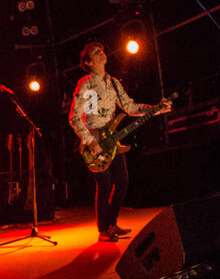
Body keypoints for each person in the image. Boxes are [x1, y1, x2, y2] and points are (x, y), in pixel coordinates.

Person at [68, 41, 171, 242]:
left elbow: (130, 107)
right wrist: (89, 140)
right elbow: (74, 116)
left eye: (102, 50)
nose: (101, 54)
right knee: (105, 183)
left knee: (122, 180)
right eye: (95, 53)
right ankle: (103, 229)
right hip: (94, 139)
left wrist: (156, 108)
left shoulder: (114, 82)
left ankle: (112, 224)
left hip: (111, 138)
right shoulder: (86, 83)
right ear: (88, 62)